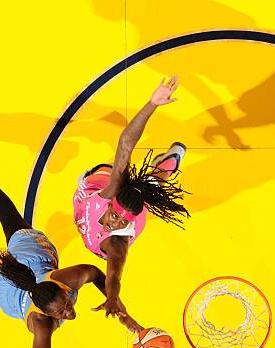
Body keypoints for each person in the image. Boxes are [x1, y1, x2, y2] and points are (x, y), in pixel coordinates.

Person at [0, 153, 142, 348]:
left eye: (65, 304)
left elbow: (95, 273)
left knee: (9, 218)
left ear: (63, 288)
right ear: (45, 313)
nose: (68, 312)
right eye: (61, 312)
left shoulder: (65, 283)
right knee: (3, 271)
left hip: (29, 258)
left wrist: (119, 307)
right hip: (5, 293)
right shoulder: (41, 324)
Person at [73, 76, 190, 318]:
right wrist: (152, 104)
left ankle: (163, 168)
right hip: (97, 182)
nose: (116, 224)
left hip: (132, 210)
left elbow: (114, 275)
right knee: (147, 179)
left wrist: (112, 298)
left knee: (149, 187)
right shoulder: (110, 191)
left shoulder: (117, 245)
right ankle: (167, 164)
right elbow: (126, 142)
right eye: (115, 216)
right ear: (110, 204)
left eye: (122, 223)